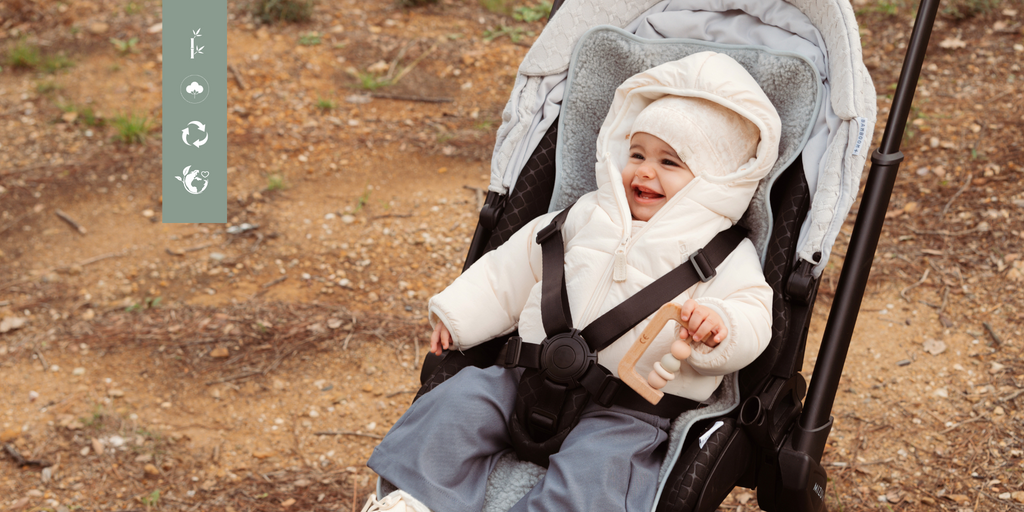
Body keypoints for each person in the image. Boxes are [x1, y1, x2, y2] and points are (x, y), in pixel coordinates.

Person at [363, 51, 781, 512]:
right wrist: (460, 313)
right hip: (526, 374)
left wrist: (719, 325)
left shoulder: (722, 251)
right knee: (455, 406)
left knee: (599, 474)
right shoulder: (585, 213)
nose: (644, 170)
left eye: (669, 162)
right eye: (637, 153)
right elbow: (516, 265)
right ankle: (415, 499)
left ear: (713, 179)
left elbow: (753, 311)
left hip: (627, 409)